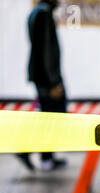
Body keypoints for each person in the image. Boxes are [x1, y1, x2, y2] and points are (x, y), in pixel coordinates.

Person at [16, 0, 67, 171]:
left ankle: (46, 158)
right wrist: (53, 82)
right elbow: (46, 51)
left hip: (42, 76)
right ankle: (35, 153)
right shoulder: (43, 15)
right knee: (53, 117)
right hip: (47, 78)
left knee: (49, 117)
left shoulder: (37, 13)